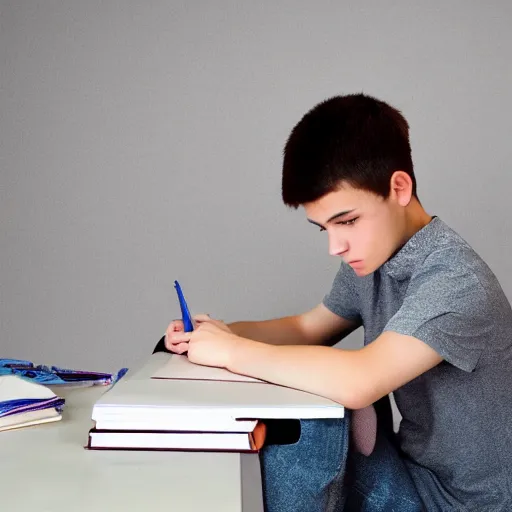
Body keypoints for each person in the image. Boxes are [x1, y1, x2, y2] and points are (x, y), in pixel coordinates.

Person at [164, 94, 512, 511]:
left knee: (296, 434)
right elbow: (309, 328)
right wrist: (220, 333)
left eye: (346, 221)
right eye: (323, 228)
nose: (336, 245)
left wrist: (232, 352)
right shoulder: (375, 256)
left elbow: (360, 379)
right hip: (412, 474)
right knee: (284, 414)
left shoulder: (456, 282)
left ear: (399, 187)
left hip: (460, 505)